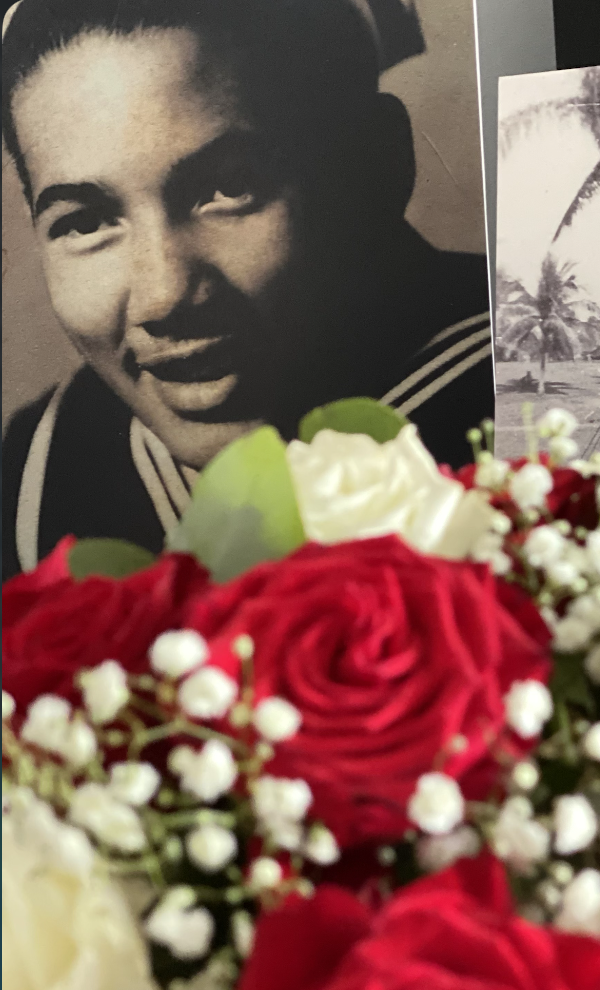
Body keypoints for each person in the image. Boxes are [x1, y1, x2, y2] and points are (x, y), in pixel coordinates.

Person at [2, 0, 493, 578]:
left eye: (230, 186)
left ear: (379, 166)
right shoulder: (40, 471)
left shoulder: (533, 388)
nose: (164, 296)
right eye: (85, 223)